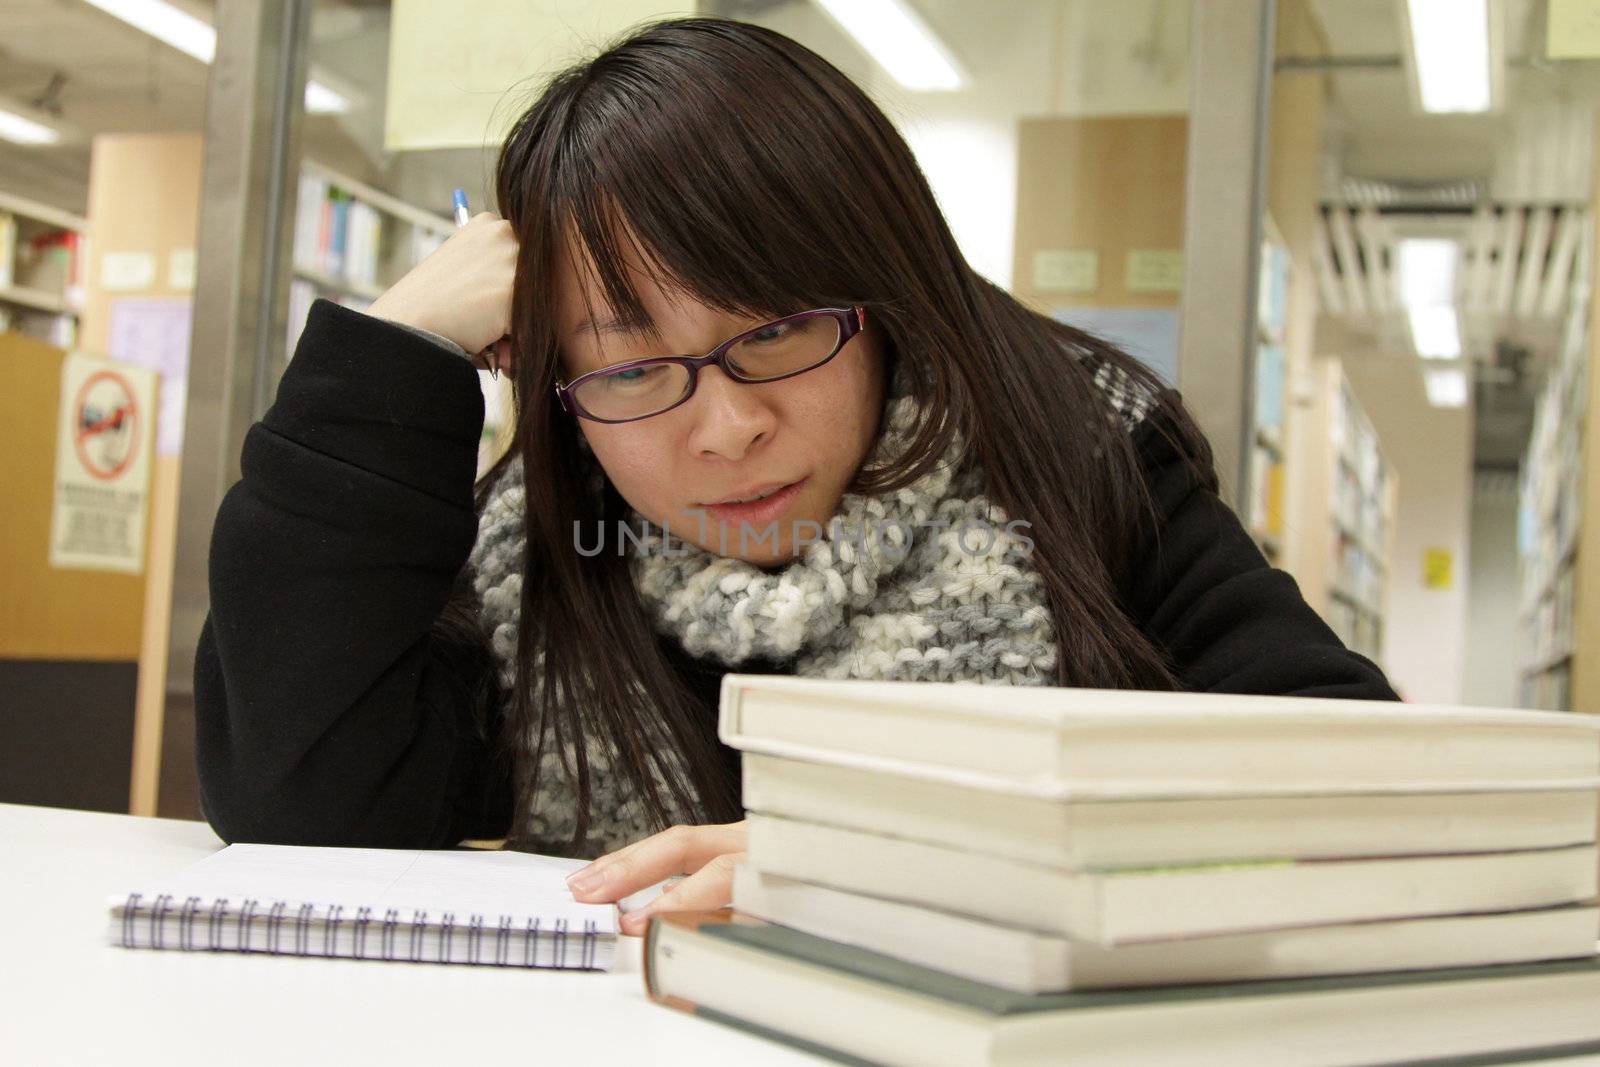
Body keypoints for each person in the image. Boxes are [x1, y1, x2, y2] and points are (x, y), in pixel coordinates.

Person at [195, 16, 1397, 938]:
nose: (724, 427)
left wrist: (884, 870)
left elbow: (1355, 792)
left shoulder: (1076, 455)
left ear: (884, 303)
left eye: (775, 331)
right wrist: (387, 357)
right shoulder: (545, 545)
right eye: (627, 368)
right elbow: (304, 817)